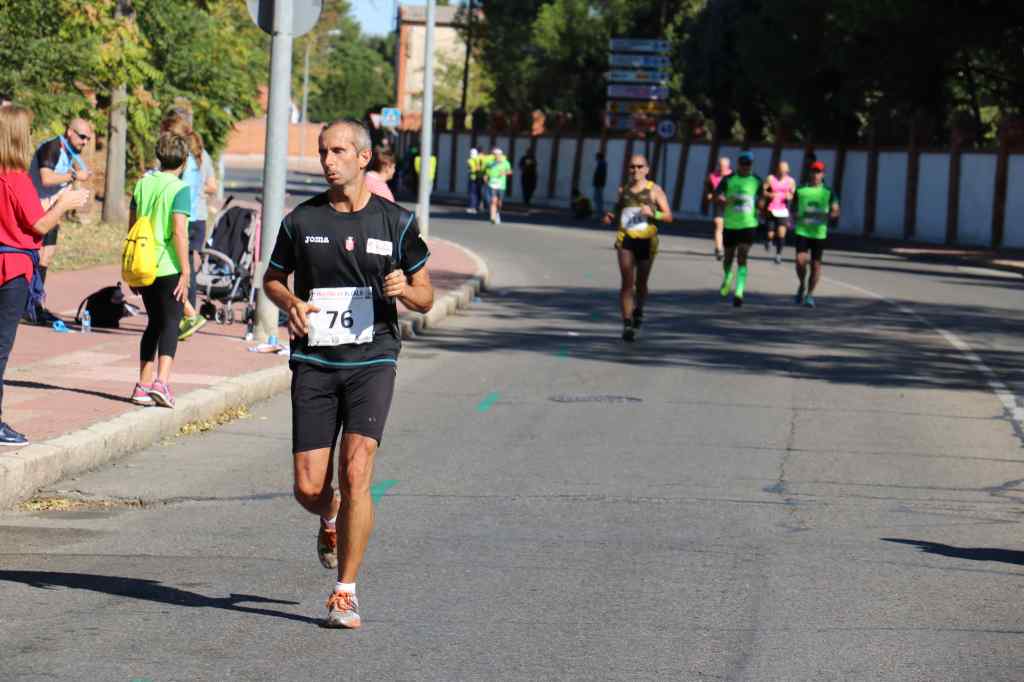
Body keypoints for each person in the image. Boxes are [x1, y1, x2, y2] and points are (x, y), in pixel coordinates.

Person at [263, 118, 434, 629]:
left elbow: (426, 296)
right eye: (322, 152)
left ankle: (346, 591)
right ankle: (329, 514)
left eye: (338, 151)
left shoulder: (396, 222)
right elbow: (272, 279)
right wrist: (290, 301)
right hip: (315, 360)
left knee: (358, 470)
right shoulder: (301, 220)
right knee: (306, 487)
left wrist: (406, 289)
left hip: (373, 359)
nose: (328, 160)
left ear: (363, 158)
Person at [0, 105, 89, 444]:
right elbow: (38, 224)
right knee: (1, 347)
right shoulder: (17, 179)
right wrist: (65, 203)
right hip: (12, 270)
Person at [27, 116, 93, 325]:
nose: (85, 142)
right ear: (69, 132)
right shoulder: (52, 147)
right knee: (33, 259)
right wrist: (74, 176)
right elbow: (46, 178)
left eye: (88, 139)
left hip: (53, 213)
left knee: (46, 258)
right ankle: (25, 305)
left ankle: (37, 305)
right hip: (37, 212)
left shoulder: (70, 152)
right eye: (82, 137)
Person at [602, 154, 672, 342]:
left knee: (640, 283)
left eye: (640, 167)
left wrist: (654, 212)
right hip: (626, 239)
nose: (636, 170)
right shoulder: (623, 190)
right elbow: (618, 211)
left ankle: (639, 310)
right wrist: (610, 217)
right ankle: (626, 324)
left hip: (647, 240)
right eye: (632, 167)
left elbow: (669, 216)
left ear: (647, 169)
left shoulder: (655, 190)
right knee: (627, 282)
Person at [714, 151, 764, 308]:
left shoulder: (756, 180)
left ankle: (739, 291)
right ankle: (728, 276)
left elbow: (762, 198)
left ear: (751, 165)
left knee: (743, 256)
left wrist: (761, 205)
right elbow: (717, 196)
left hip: (748, 225)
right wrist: (723, 198)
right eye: (743, 163)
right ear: (738, 164)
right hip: (730, 225)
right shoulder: (728, 179)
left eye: (748, 163)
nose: (745, 166)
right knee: (728, 257)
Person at [181, 130, 215, 339]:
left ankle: (188, 313)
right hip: (200, 219)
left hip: (186, 217)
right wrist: (201, 188)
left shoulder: (184, 161)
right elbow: (213, 186)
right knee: (190, 267)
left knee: (180, 268)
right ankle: (189, 309)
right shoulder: (205, 158)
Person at [793, 161, 840, 308]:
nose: (815, 175)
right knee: (800, 261)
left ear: (823, 174)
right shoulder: (800, 190)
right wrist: (795, 215)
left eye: (818, 172)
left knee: (816, 266)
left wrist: (832, 214)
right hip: (802, 231)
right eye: (813, 171)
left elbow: (835, 209)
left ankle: (810, 295)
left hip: (819, 233)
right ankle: (802, 284)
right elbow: (794, 208)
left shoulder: (829, 192)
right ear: (809, 173)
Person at [764, 160, 795, 264]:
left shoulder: (790, 181)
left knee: (781, 234)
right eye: (781, 170)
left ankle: (778, 254)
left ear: (788, 171)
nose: (782, 173)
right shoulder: (771, 179)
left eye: (785, 171)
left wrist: (789, 196)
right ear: (777, 169)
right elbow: (765, 191)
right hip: (771, 209)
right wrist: (770, 194)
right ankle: (768, 240)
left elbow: (793, 194)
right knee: (770, 234)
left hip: (783, 210)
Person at [705, 156, 732, 261]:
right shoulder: (712, 176)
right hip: (718, 205)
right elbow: (707, 188)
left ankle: (727, 247)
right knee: (718, 225)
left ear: (728, 166)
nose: (722, 169)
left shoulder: (733, 176)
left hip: (731, 206)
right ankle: (719, 249)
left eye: (724, 167)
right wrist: (709, 195)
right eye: (720, 166)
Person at [485, 148, 512, 224]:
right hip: (492, 184)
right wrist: (486, 176)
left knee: (499, 202)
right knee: (493, 201)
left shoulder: (505, 162)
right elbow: (487, 170)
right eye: (495, 154)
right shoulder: (491, 162)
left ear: (500, 155)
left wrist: (505, 173)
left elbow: (510, 171)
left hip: (501, 185)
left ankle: (497, 213)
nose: (496, 156)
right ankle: (492, 218)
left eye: (497, 154)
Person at [465, 148, 483, 214]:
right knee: (478, 192)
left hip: (474, 178)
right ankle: (478, 206)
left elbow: (473, 169)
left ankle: (473, 207)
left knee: (473, 193)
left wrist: (476, 168)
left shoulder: (470, 160)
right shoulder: (481, 158)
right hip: (480, 178)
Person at [592, 152, 607, 217]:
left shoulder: (601, 163)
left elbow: (599, 175)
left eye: (596, 157)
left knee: (597, 198)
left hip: (598, 184)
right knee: (598, 198)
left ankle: (599, 213)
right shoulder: (602, 163)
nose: (595, 158)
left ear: (599, 157)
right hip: (600, 183)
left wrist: (596, 182)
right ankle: (599, 212)